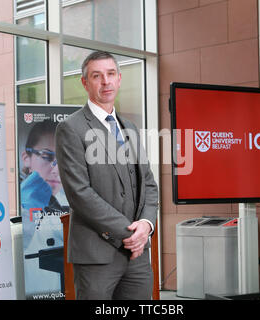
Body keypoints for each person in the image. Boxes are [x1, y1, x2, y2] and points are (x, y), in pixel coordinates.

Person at [55, 51, 158, 300]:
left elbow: (149, 185)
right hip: (97, 256)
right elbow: (80, 194)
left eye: (111, 74)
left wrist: (146, 225)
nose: (105, 81)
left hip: (137, 257)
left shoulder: (130, 128)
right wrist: (130, 234)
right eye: (97, 76)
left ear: (119, 79)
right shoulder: (71, 129)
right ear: (84, 82)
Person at [20, 119, 69, 297]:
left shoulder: (72, 200)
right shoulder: (18, 202)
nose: (56, 170)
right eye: (47, 157)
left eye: (63, 159)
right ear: (26, 158)